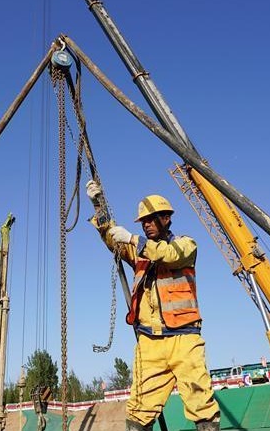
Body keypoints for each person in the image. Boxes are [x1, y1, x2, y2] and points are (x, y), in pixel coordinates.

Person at [86, 180, 218, 431]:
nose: (146, 224)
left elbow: (169, 255)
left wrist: (135, 240)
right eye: (142, 221)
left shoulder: (186, 244)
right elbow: (111, 238)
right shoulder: (139, 253)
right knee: (138, 412)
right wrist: (99, 205)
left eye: (151, 218)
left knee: (201, 403)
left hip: (184, 339)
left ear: (166, 219)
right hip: (150, 343)